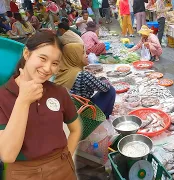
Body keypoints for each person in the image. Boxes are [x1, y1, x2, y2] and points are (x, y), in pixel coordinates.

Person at [0, 30, 81, 180]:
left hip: (62, 169)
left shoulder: (59, 92)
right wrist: (23, 100)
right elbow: (7, 155)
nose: (47, 68)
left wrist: (66, 158)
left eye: (55, 63)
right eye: (42, 58)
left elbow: (75, 129)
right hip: (22, 173)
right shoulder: (2, 97)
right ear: (26, 53)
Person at [54, 43, 116, 118]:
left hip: (68, 114)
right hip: (83, 114)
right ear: (74, 57)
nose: (86, 55)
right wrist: (104, 79)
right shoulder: (82, 75)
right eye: (83, 53)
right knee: (111, 90)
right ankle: (103, 118)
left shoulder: (60, 72)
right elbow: (105, 88)